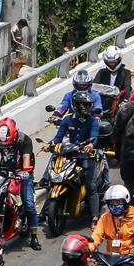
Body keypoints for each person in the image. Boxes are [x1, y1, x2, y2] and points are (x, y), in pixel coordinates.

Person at [43, 91, 101, 227]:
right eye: (83, 105)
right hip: (69, 154)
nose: (86, 108)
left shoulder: (93, 121)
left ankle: (94, 217)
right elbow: (58, 137)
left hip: (86, 155)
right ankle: (44, 212)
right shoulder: (67, 120)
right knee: (53, 179)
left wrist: (90, 145)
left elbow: (95, 137)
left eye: (88, 105)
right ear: (75, 106)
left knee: (90, 185)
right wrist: (49, 145)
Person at [0, 116, 41, 251]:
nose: (4, 146)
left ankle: (34, 236)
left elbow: (26, 158)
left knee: (29, 204)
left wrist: (25, 172)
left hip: (22, 174)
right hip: (4, 174)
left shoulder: (24, 140)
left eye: (7, 144)